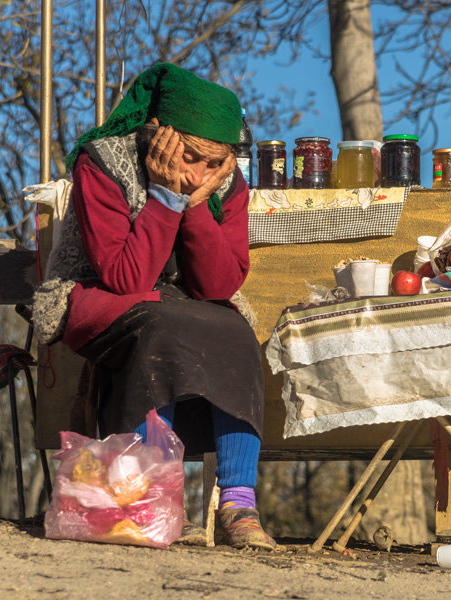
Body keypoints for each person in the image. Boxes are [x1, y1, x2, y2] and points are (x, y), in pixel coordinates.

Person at [33, 62, 275, 550]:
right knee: (163, 324)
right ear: (158, 135)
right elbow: (126, 277)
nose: (202, 173)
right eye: (192, 157)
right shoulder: (102, 162)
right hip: (98, 298)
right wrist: (167, 196)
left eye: (216, 163)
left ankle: (238, 506)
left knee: (236, 330)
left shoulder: (225, 183)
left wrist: (199, 204)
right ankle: (151, 498)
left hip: (183, 305)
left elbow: (218, 285)